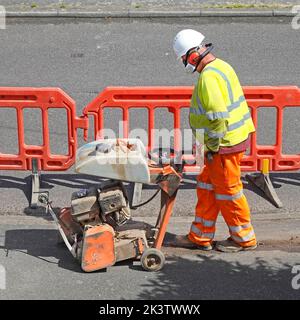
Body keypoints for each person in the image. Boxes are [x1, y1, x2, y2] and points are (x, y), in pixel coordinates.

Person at [172, 29, 257, 252]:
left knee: (229, 192)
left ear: (191, 56)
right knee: (207, 187)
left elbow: (219, 117)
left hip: (224, 146)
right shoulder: (222, 66)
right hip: (226, 142)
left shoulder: (208, 76)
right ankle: (200, 236)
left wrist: (211, 146)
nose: (184, 63)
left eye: (183, 58)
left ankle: (243, 238)